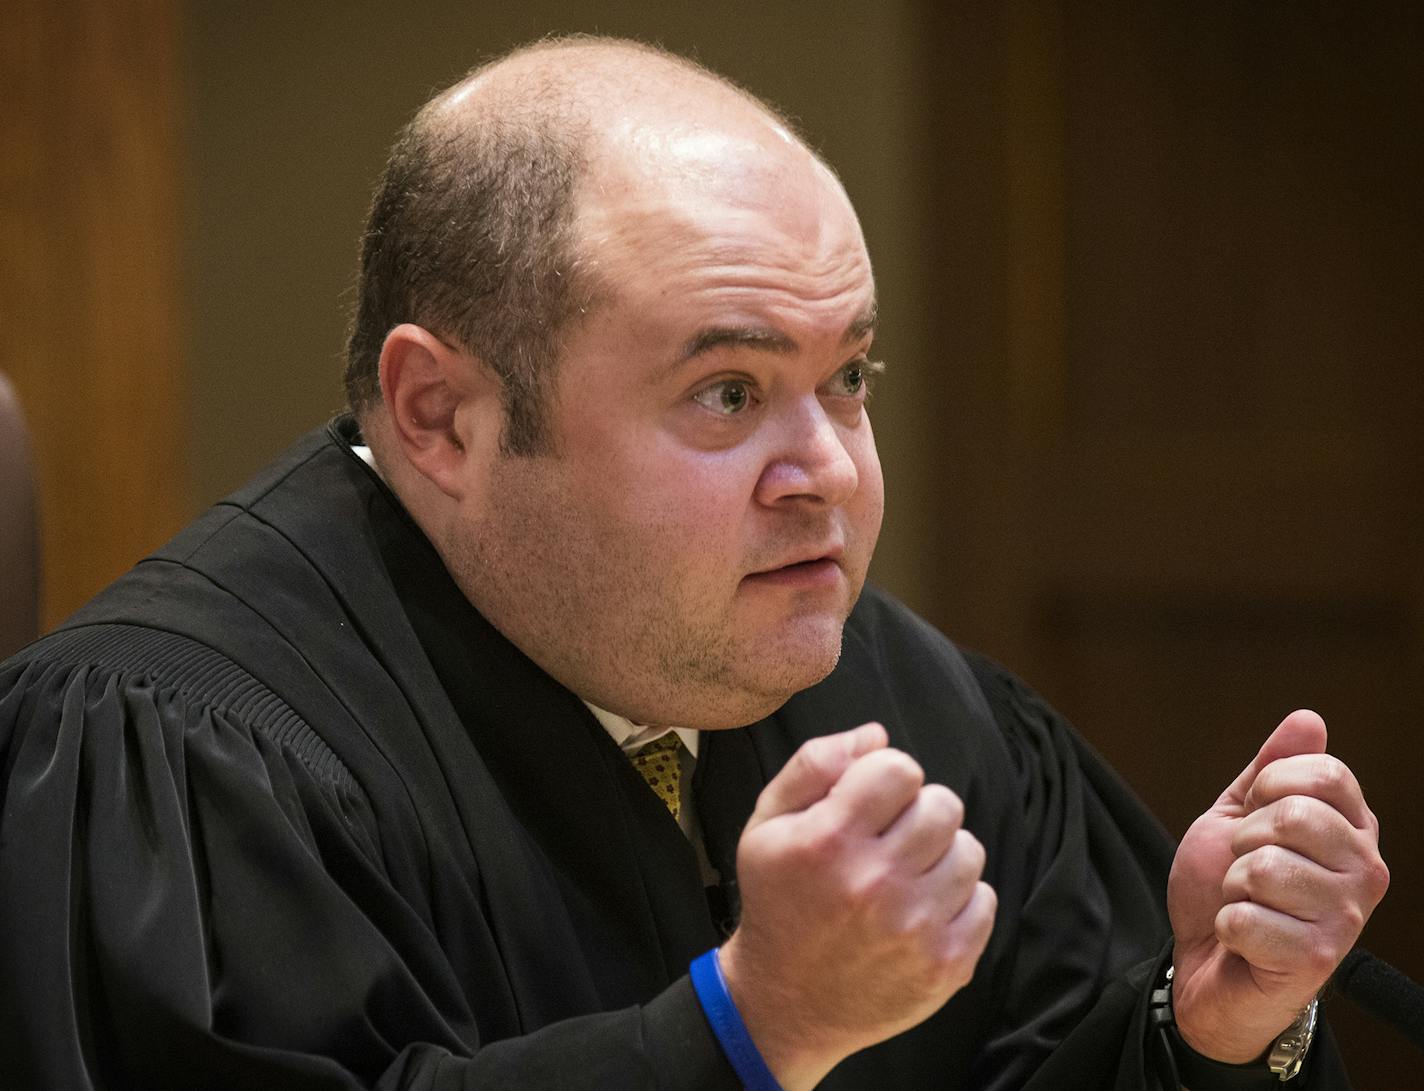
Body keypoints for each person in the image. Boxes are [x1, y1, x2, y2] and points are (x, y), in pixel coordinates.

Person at [0, 36, 1387, 1090]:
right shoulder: (182, 758)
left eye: (848, 378)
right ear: (442, 416)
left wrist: (1206, 1028)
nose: (832, 473)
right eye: (728, 393)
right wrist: (743, 1030)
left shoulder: (913, 710)